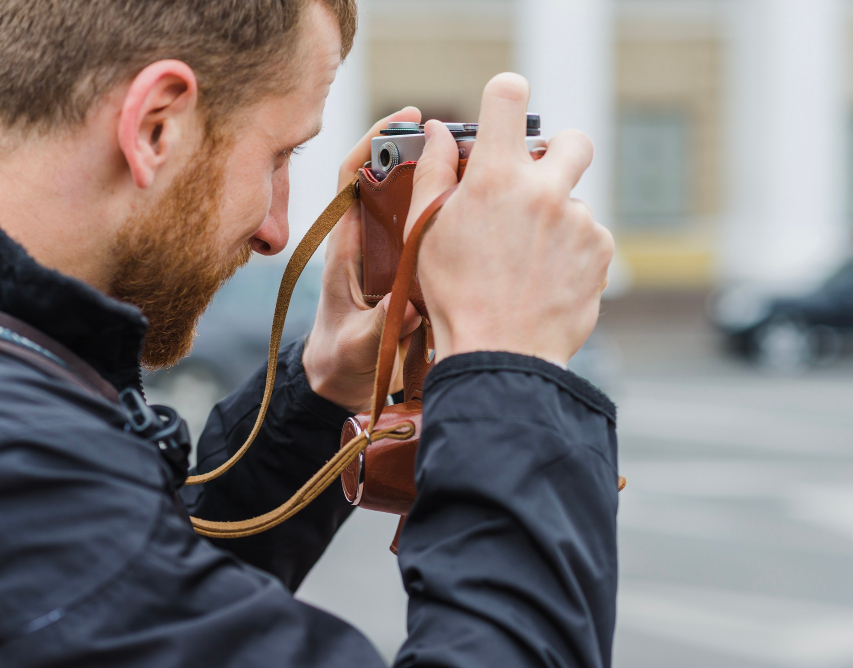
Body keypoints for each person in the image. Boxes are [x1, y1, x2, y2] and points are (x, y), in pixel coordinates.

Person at [0, 0, 618, 666]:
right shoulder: (28, 461)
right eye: (278, 155)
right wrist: (512, 370)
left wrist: (319, 393)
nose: (276, 232)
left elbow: (136, 605)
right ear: (156, 127)